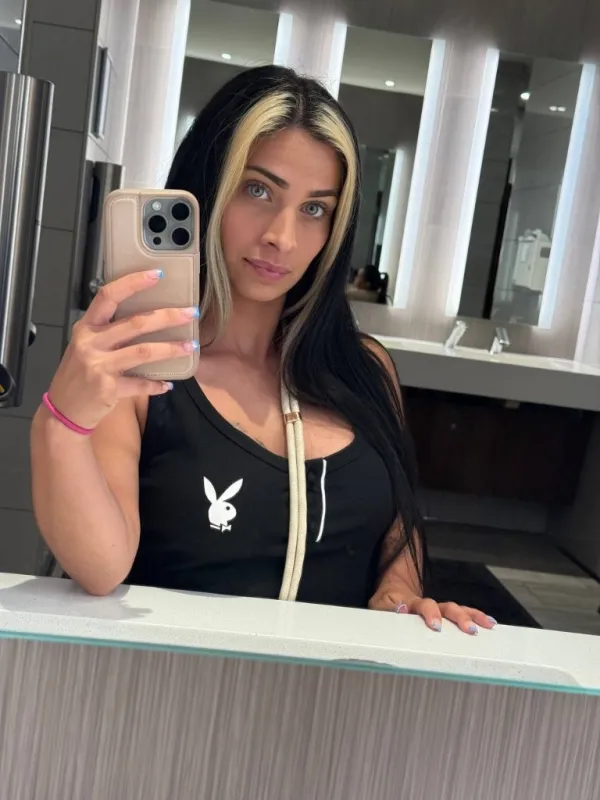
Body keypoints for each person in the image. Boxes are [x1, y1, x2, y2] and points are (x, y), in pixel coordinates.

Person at [30, 66, 493, 635]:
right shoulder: (143, 369)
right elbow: (100, 567)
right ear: (208, 188)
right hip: (176, 681)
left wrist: (400, 592)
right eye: (257, 190)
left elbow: (399, 517)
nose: (283, 237)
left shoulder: (365, 368)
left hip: (339, 684)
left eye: (315, 208)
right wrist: (61, 421)